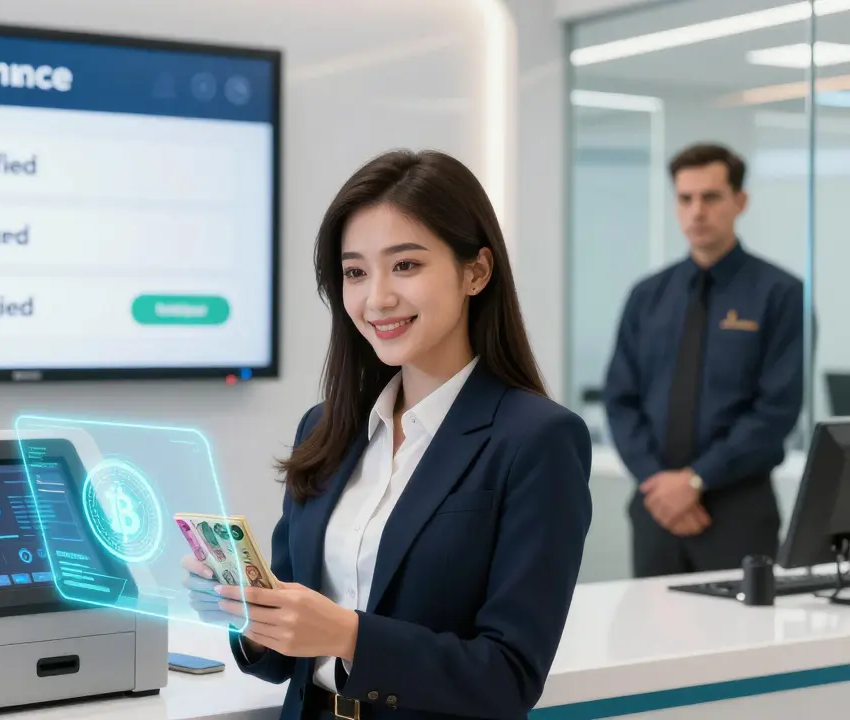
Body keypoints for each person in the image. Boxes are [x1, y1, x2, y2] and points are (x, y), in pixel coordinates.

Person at [181, 150, 593, 719]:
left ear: (476, 271)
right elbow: (285, 659)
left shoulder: (537, 440)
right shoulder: (327, 426)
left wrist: (349, 635)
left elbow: (509, 677)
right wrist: (252, 617)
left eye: (405, 266)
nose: (377, 298)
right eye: (355, 272)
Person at [602, 142, 803, 579]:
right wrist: (660, 484)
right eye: (685, 198)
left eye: (710, 197)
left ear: (740, 201)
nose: (696, 211)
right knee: (654, 643)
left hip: (737, 515)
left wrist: (694, 481)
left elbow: (777, 410)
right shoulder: (647, 296)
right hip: (656, 512)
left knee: (745, 644)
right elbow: (620, 399)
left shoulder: (781, 295)